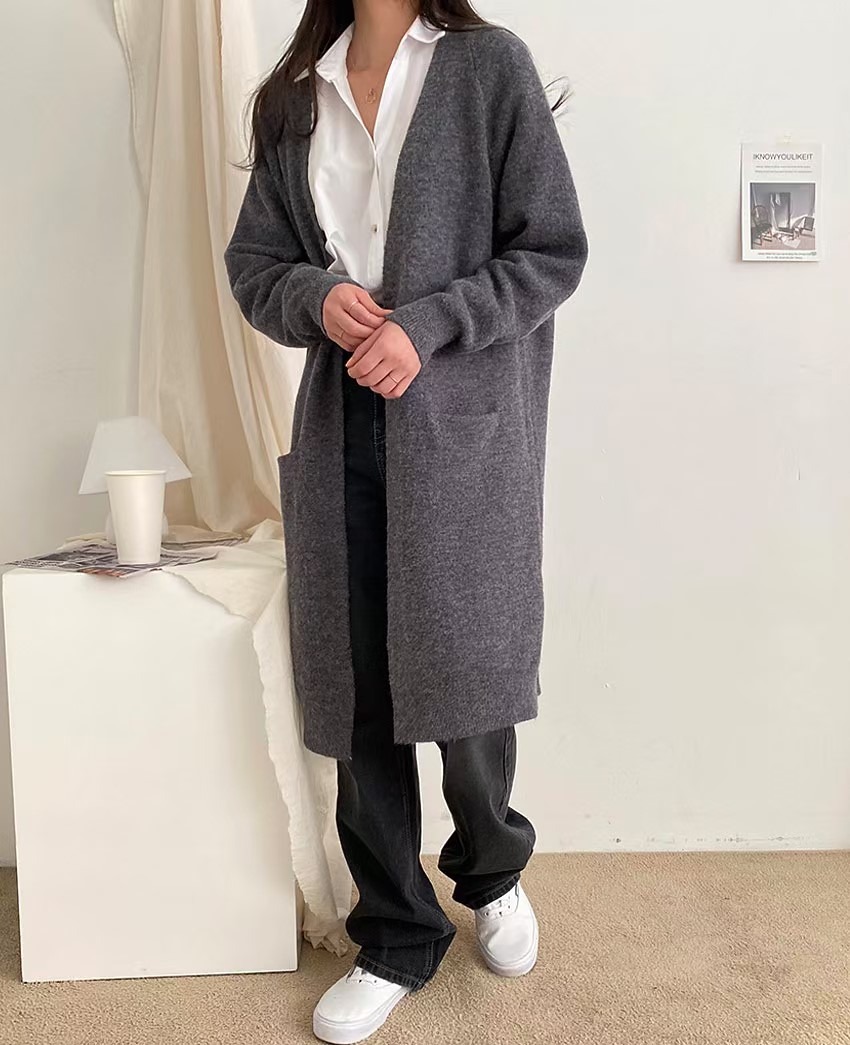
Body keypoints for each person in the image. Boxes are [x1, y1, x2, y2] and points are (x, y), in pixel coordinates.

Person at [224, 1, 588, 1040]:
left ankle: (493, 870)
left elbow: (551, 251)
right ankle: (393, 932)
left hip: (461, 427)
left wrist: (428, 326)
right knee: (355, 689)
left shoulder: (487, 68)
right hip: (340, 423)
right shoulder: (292, 98)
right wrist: (316, 298)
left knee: (468, 674)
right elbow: (256, 266)